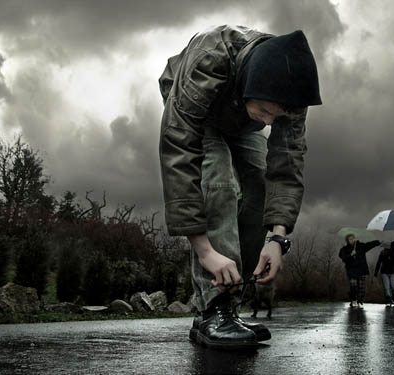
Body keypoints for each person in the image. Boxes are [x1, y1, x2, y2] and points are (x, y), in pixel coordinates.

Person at [158, 25, 321, 350]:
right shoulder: (209, 60)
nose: (272, 122)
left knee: (260, 180)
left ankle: (231, 304)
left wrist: (276, 239)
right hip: (196, 110)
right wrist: (205, 252)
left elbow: (286, 165)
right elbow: (178, 150)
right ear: (249, 84)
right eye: (266, 113)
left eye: (277, 116)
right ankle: (213, 307)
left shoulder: (290, 98)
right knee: (219, 182)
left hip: (239, 118)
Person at [339, 234, 381, 308]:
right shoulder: (344, 249)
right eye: (350, 239)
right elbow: (343, 259)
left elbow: (369, 245)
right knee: (353, 285)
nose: (352, 240)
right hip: (351, 270)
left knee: (362, 287)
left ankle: (360, 300)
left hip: (362, 269)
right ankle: (353, 299)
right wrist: (351, 255)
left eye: (353, 238)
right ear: (347, 241)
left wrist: (377, 242)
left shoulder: (360, 246)